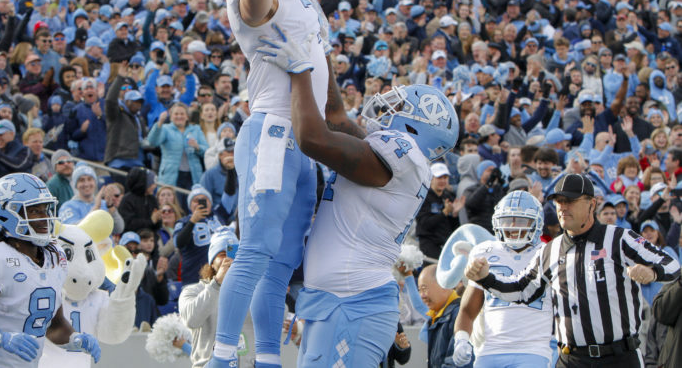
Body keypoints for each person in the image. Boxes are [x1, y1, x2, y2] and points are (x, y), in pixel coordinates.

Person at [256, 26, 459, 366]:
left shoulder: (405, 154)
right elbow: (335, 118)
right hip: (338, 300)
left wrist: (299, 67)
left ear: (418, 126)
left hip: (353, 304)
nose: (390, 106)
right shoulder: (397, 158)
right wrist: (319, 51)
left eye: (402, 105)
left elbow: (313, 138)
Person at [210, 0, 332, 367]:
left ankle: (267, 359)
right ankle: (221, 358)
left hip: (305, 140)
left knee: (281, 264)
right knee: (256, 251)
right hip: (274, 131)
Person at [465, 173, 681, 367]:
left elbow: (672, 264)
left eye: (570, 201)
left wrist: (652, 272)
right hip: (572, 359)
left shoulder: (619, 238)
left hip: (619, 357)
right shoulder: (550, 250)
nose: (562, 207)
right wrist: (487, 278)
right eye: (559, 201)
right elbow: (521, 291)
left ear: (592, 204)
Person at [0, 172, 101, 367]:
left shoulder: (54, 256)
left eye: (45, 209)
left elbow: (53, 325)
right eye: (34, 211)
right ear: (7, 213)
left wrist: (76, 339)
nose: (44, 217)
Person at [453, 191, 554, 368]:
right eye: (507, 220)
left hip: (534, 349)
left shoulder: (549, 253)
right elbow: (468, 310)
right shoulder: (485, 252)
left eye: (521, 220)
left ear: (536, 223)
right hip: (490, 349)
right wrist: (461, 339)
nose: (513, 226)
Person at [179, 228, 251, 368]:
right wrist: (217, 283)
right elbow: (192, 320)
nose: (229, 259)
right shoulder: (192, 291)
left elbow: (277, 317)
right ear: (212, 262)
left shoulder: (251, 289)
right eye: (222, 254)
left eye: (234, 253)